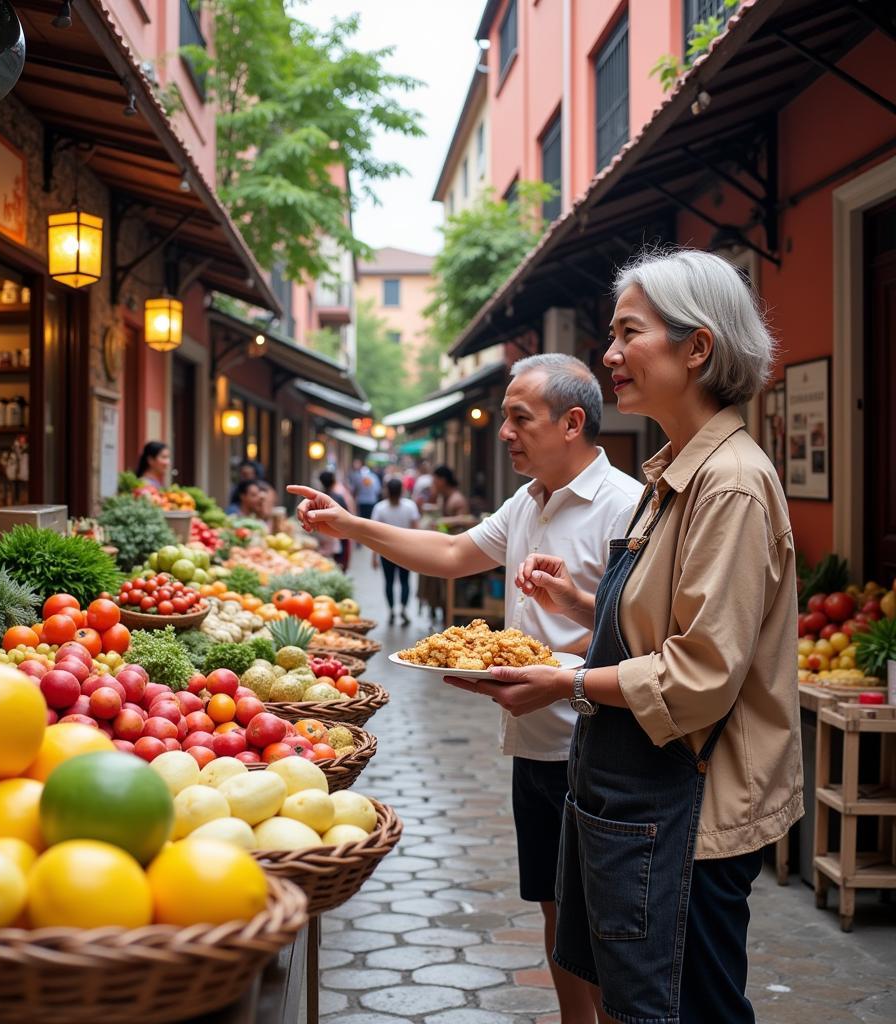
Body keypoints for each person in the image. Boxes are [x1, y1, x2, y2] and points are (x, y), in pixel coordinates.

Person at [455, 250, 803, 1024]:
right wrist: (585, 602)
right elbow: (662, 625)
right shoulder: (671, 474)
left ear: (698, 347)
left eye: (628, 333)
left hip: (695, 809)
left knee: (687, 1008)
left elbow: (700, 673)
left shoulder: (732, 484)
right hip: (640, 793)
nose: (608, 354)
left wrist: (561, 682)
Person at [288, 353, 643, 1023]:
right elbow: (454, 555)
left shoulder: (624, 506)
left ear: (572, 423)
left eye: (519, 418)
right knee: (554, 907)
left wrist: (566, 632)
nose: (505, 432)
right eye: (504, 418)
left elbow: (641, 632)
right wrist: (352, 526)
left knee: (604, 927)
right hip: (533, 743)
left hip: (594, 743)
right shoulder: (530, 498)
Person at [370, 478, 420, 624]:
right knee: (405, 581)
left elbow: (374, 533)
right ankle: (403, 609)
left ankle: (391, 610)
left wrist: (374, 556)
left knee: (389, 582)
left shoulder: (380, 508)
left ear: (387, 491)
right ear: (402, 491)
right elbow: (416, 530)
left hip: (386, 552)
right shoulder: (410, 506)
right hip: (407, 551)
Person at [318, 470, 353, 570]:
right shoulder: (338, 498)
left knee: (323, 566)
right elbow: (346, 516)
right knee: (338, 565)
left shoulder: (317, 498)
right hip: (338, 535)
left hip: (322, 537)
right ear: (333, 482)